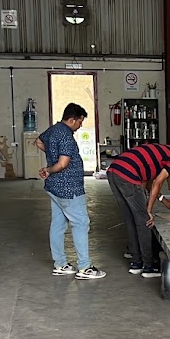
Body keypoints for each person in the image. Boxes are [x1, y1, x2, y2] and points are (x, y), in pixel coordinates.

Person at [108, 141, 170, 278]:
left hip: (113, 171)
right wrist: (148, 211)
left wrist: (161, 201)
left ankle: (136, 263)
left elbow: (144, 183)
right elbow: (157, 182)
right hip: (128, 175)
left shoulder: (158, 150)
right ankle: (148, 267)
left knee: (130, 218)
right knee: (144, 221)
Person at [38, 103, 104, 279]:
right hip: (69, 188)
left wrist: (52, 155)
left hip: (54, 187)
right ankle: (84, 267)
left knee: (58, 224)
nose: (80, 125)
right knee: (81, 223)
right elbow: (62, 164)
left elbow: (38, 141)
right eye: (80, 122)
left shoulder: (53, 130)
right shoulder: (66, 136)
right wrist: (49, 169)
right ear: (72, 120)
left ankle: (60, 264)